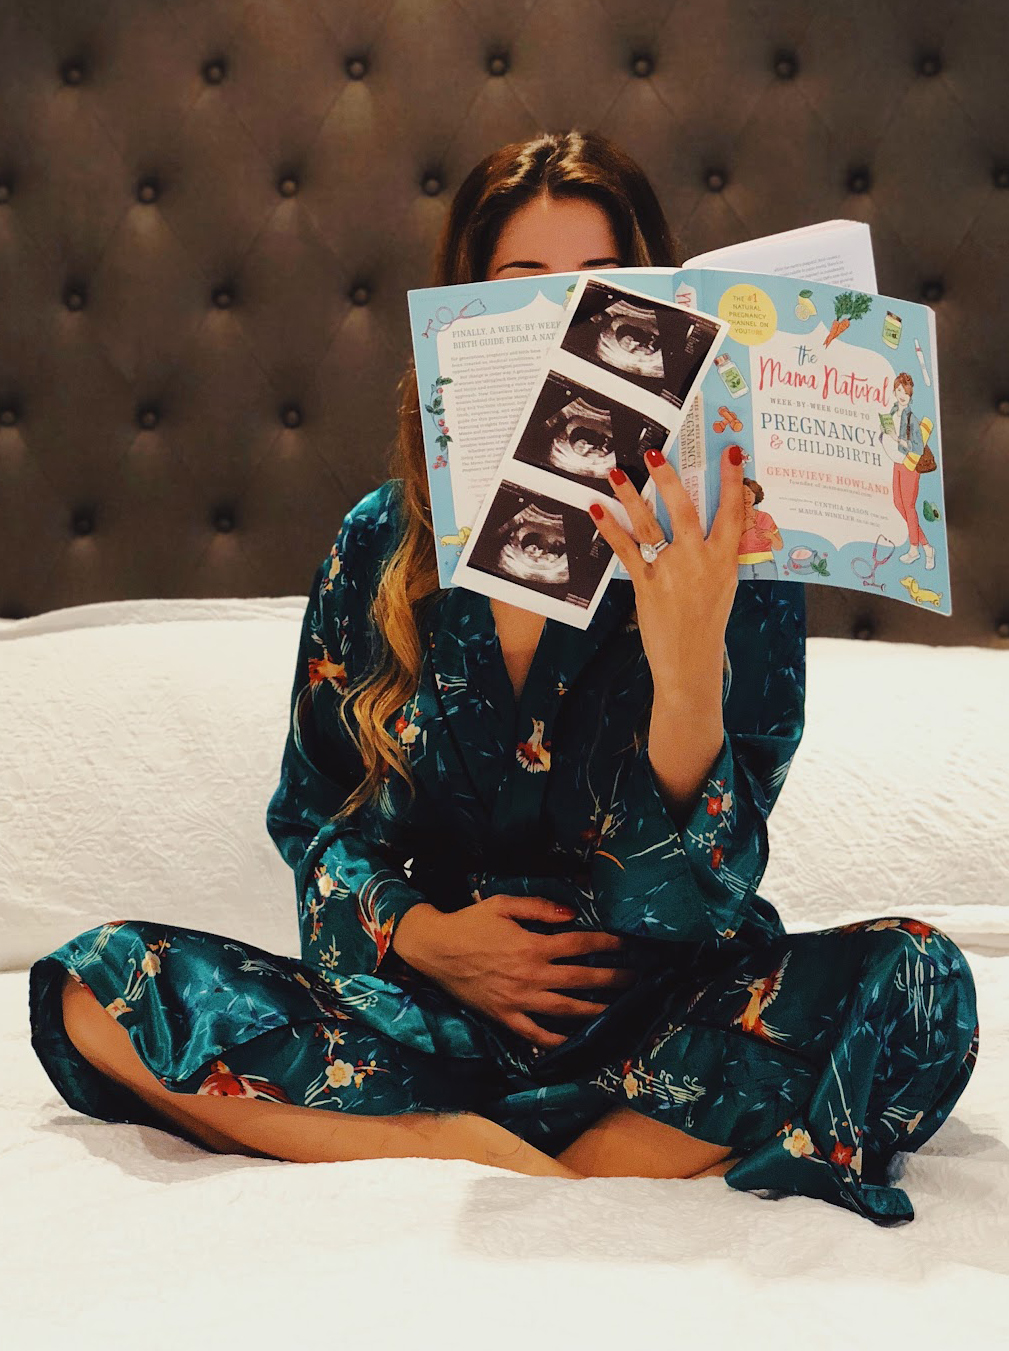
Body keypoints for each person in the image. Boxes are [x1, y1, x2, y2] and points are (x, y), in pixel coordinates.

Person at [28, 131, 979, 1221]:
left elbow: (698, 902)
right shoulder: (380, 546)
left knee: (918, 982)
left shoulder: (737, 561)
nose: (566, 333)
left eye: (597, 295)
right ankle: (472, 1148)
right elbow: (316, 818)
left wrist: (683, 672)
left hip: (665, 1031)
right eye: (523, 292)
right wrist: (423, 936)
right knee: (97, 976)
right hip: (422, 1029)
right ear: (462, 325)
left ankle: (542, 1172)